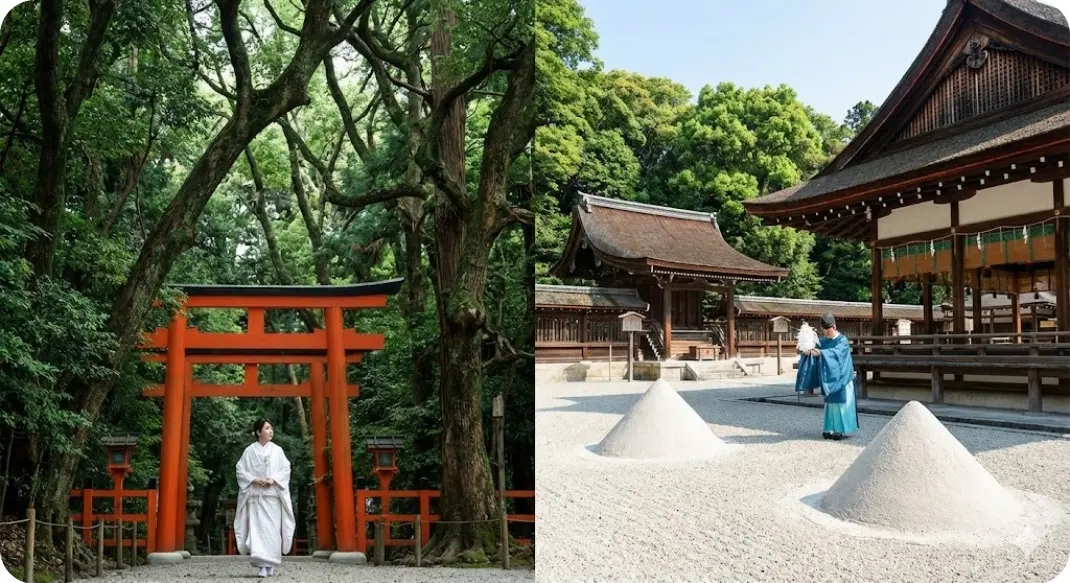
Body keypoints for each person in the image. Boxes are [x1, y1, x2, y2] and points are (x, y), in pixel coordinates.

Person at [234, 419, 296, 578]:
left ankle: (271, 563)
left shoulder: (278, 451)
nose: (270, 431)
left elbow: (285, 469)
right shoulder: (249, 451)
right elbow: (240, 470)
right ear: (258, 432)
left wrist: (273, 480)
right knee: (258, 531)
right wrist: (254, 479)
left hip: (272, 498)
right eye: (267, 428)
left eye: (271, 428)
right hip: (256, 498)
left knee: (272, 531)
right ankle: (262, 565)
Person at [807, 314, 859, 440]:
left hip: (843, 378)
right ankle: (829, 429)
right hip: (829, 377)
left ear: (834, 327)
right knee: (830, 404)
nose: (826, 334)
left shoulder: (842, 340)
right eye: (824, 331)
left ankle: (840, 430)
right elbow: (814, 349)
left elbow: (836, 353)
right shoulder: (823, 341)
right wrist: (807, 349)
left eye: (828, 331)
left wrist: (821, 353)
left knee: (842, 404)